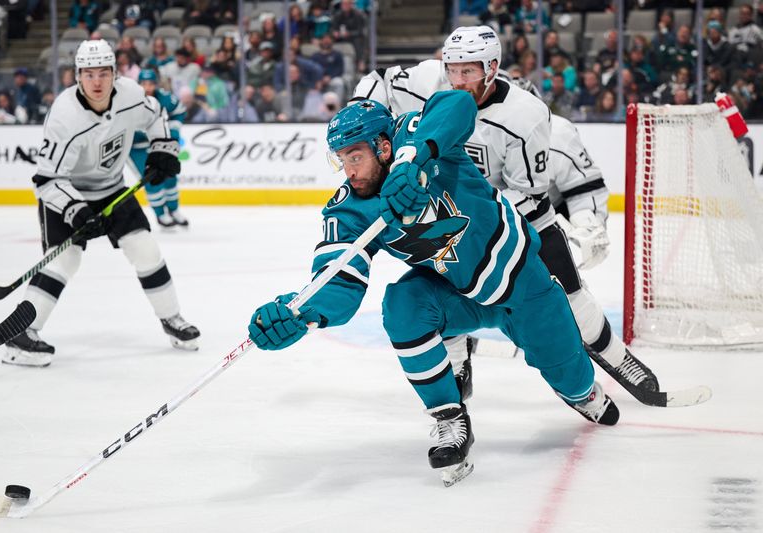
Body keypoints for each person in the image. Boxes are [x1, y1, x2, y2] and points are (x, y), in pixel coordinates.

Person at [248, 95, 619, 487]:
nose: (348, 170)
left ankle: (581, 392)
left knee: (572, 380)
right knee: (402, 305)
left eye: (354, 156)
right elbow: (339, 283)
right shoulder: (348, 211)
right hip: (458, 296)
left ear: (383, 145)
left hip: (525, 286)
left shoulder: (414, 134)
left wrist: (412, 161)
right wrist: (300, 312)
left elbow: (457, 104)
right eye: (341, 159)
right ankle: (450, 418)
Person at [350, 26, 660, 401]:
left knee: (570, 296)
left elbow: (530, 195)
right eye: (453, 69)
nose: (458, 80)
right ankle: (457, 358)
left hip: (519, 221)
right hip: (451, 216)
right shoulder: (429, 79)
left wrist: (482, 209)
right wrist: (361, 117)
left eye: (469, 72)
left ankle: (614, 355)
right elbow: (378, 81)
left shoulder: (526, 117)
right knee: (444, 288)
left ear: (492, 68)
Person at [3, 40, 200, 367]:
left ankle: (172, 319)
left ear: (115, 74)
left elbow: (156, 115)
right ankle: (21, 336)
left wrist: (163, 147)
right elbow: (47, 181)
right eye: (89, 74)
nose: (97, 82)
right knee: (65, 261)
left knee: (145, 248)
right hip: (67, 193)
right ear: (78, 76)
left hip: (112, 189)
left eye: (104, 73)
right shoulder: (64, 116)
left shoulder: (131, 94)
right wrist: (76, 210)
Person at [128, 68, 189, 229]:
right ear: (138, 84)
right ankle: (160, 214)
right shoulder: (130, 101)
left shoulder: (165, 98)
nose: (147, 87)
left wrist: (173, 132)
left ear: (156, 84)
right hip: (136, 148)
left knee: (169, 174)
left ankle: (174, 210)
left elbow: (179, 111)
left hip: (158, 143)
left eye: (151, 84)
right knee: (151, 179)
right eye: (144, 84)